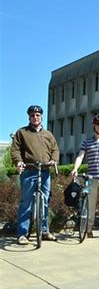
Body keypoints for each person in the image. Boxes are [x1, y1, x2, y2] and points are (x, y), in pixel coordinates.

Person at [11, 105, 59, 245]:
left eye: (37, 115)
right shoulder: (22, 132)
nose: (35, 117)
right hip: (29, 171)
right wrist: (19, 162)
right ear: (29, 117)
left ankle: (44, 231)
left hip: (45, 171)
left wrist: (53, 160)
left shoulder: (48, 134)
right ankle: (22, 234)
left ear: (41, 116)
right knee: (26, 203)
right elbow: (15, 149)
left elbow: (55, 149)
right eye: (32, 115)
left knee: (44, 202)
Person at [71, 114, 99, 239]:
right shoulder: (87, 142)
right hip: (91, 179)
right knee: (90, 205)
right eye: (97, 123)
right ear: (94, 125)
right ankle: (88, 229)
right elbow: (80, 156)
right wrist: (75, 168)